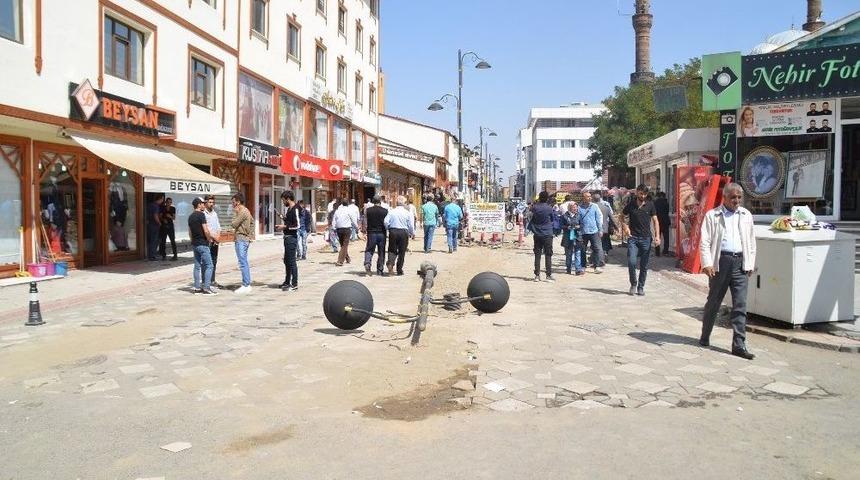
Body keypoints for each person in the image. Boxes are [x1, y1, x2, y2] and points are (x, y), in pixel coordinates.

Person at [699, 183, 757, 360]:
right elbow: (705, 241)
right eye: (733, 197)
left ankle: (739, 345)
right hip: (720, 263)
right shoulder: (713, 215)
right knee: (714, 302)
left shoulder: (746, 215)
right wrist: (707, 263)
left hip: (740, 263)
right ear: (724, 197)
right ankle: (705, 335)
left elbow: (751, 242)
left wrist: (750, 264)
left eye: (739, 197)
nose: (737, 201)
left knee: (740, 304)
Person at [620, 184, 660, 296]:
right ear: (637, 192)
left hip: (646, 239)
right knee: (632, 262)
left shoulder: (650, 205)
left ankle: (641, 287)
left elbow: (655, 221)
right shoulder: (631, 205)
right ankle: (633, 284)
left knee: (644, 265)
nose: (643, 196)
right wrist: (626, 227)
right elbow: (621, 216)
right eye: (641, 193)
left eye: (645, 194)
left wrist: (657, 236)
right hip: (633, 238)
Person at [188, 197, 216, 295]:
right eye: (203, 203)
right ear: (199, 204)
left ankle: (196, 288)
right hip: (203, 244)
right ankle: (207, 288)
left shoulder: (190, 217)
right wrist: (209, 239)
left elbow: (190, 232)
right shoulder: (201, 215)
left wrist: (193, 241)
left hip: (195, 244)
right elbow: (206, 230)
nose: (204, 205)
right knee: (209, 265)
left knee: (197, 266)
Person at [275, 191, 300, 291]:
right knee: (287, 260)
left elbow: (297, 225)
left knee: (292, 261)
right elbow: (290, 221)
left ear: (288, 199)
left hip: (291, 239)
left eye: (283, 200)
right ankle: (287, 281)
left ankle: (294, 284)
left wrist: (284, 226)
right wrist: (282, 218)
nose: (283, 202)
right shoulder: (289, 209)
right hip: (287, 238)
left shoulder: (295, 209)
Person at [383, 196, 415, 276]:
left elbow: (386, 222)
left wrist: (389, 229)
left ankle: (390, 263)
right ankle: (399, 269)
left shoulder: (391, 211)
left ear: (396, 203)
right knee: (402, 251)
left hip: (393, 231)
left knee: (392, 249)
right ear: (404, 203)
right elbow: (411, 225)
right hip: (403, 232)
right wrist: (412, 233)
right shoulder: (407, 212)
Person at [231, 192, 254, 294]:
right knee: (244, 261)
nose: (232, 204)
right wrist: (250, 235)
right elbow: (252, 222)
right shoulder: (247, 211)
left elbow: (234, 224)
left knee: (242, 262)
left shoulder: (242, 212)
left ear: (238, 202)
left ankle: (246, 284)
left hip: (241, 238)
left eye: (233, 202)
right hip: (244, 238)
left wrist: (235, 213)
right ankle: (247, 283)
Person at [530, 191, 555, 282]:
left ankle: (537, 275)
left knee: (537, 254)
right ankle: (548, 275)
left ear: (539, 198)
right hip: (547, 233)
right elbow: (552, 219)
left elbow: (530, 217)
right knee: (548, 254)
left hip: (537, 233)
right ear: (547, 198)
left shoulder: (534, 208)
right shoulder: (549, 208)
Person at [578, 192, 604, 274]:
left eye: (590, 197)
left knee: (596, 248)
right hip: (583, 232)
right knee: (583, 249)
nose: (589, 198)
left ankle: (596, 266)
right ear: (583, 198)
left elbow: (599, 218)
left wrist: (600, 230)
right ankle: (583, 266)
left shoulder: (594, 206)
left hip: (594, 231)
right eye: (587, 197)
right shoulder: (579, 207)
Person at [364, 196, 388, 276]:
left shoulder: (368, 210)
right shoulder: (385, 211)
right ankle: (380, 270)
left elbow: (365, 221)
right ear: (380, 201)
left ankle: (367, 263)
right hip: (382, 233)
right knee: (381, 252)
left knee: (369, 250)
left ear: (373, 201)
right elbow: (386, 223)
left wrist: (364, 231)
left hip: (371, 233)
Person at [560, 202, 583, 275]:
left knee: (578, 253)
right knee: (569, 254)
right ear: (570, 208)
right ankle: (568, 269)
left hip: (577, 236)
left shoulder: (579, 215)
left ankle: (578, 269)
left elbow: (582, 224)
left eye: (576, 207)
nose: (575, 209)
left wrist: (579, 227)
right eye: (574, 207)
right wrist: (567, 227)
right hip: (568, 237)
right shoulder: (564, 216)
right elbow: (561, 226)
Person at [333, 199, 358, 266]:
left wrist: (334, 228)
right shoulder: (349, 210)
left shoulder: (337, 211)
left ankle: (347, 258)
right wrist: (357, 227)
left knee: (343, 245)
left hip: (339, 229)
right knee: (344, 245)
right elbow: (353, 220)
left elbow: (334, 220)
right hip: (346, 229)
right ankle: (340, 261)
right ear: (348, 204)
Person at [204, 195, 221, 287]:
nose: (211, 204)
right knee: (207, 262)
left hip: (215, 241)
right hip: (208, 240)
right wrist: (214, 237)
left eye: (213, 203)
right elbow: (206, 229)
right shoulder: (204, 214)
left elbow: (218, 226)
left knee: (214, 261)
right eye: (210, 202)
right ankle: (206, 280)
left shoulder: (214, 213)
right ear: (205, 202)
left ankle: (212, 280)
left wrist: (218, 237)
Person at [593, 192, 615, 261]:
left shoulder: (591, 207)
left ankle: (599, 258)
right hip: (605, 227)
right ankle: (604, 254)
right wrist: (616, 227)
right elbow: (612, 216)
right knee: (605, 242)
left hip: (595, 229)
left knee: (597, 244)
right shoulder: (606, 206)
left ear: (593, 199)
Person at [653, 192, 671, 256]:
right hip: (665, 221)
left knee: (657, 236)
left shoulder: (655, 203)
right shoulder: (666, 203)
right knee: (666, 237)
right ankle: (665, 251)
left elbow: (654, 213)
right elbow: (667, 211)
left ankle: (657, 252)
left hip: (658, 222)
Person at [146, 195, 163, 260]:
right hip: (154, 225)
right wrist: (159, 223)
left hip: (149, 224)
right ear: (160, 199)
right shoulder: (156, 206)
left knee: (150, 240)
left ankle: (149, 254)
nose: (162, 201)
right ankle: (152, 256)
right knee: (154, 240)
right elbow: (155, 215)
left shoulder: (150, 205)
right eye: (162, 199)